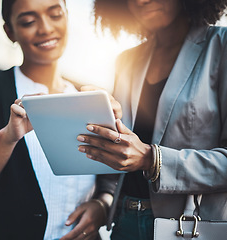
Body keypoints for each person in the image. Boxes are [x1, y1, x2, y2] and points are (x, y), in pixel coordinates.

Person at [0, 0, 119, 239]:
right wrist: (8, 136)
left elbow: (111, 178)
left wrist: (102, 206)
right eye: (29, 21)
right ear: (10, 32)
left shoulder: (90, 95)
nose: (45, 28)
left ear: (67, 17)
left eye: (55, 14)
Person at [75, 0, 227, 239]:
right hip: (124, 223)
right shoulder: (126, 61)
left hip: (187, 229)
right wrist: (103, 204)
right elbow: (116, 161)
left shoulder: (221, 47)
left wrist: (152, 159)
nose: (141, 0)